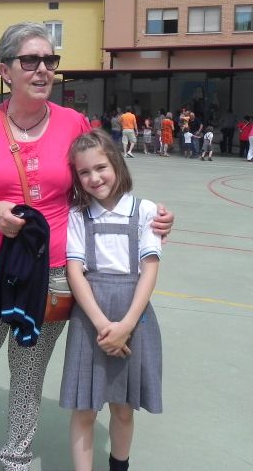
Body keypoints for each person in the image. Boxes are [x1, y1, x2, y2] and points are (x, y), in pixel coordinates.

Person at [0, 22, 174, 471]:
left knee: (29, 373)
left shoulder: (73, 124)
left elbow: (101, 188)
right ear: (5, 70)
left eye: (50, 60)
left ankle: (16, 460)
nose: (42, 69)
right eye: (30, 60)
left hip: (54, 272)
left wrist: (151, 218)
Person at [60, 129, 162, 471]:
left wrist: (126, 325)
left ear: (117, 163)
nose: (94, 177)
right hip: (90, 318)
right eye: (84, 172)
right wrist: (103, 324)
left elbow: (149, 270)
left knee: (123, 407)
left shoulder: (146, 211)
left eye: (100, 167)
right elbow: (75, 272)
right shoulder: (78, 215)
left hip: (134, 315)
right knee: (84, 409)